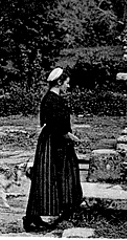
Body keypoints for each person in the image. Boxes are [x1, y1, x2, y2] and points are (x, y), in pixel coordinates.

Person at [23, 68, 83, 231]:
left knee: (53, 178)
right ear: (59, 82)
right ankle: (37, 217)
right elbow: (56, 125)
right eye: (67, 83)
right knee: (50, 178)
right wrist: (70, 136)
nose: (68, 87)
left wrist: (67, 135)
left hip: (54, 141)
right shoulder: (53, 100)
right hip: (54, 143)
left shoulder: (51, 99)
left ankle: (44, 215)